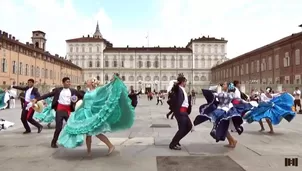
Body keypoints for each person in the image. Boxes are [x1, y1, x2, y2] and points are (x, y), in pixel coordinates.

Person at [58, 75, 135, 156]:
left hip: (91, 114)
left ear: (91, 83)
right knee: (88, 134)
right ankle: (89, 152)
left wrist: (113, 82)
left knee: (96, 133)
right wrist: (76, 111)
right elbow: (83, 103)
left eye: (87, 81)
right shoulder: (87, 92)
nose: (86, 82)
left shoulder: (97, 91)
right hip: (84, 113)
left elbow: (106, 89)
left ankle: (110, 146)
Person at [194, 82, 253, 148]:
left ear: (227, 86)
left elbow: (236, 99)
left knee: (222, 126)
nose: (222, 85)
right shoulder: (225, 93)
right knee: (223, 127)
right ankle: (232, 141)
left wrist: (248, 104)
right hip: (221, 111)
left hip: (225, 112)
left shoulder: (228, 94)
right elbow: (212, 91)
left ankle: (233, 141)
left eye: (224, 84)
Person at [32, 77, 84, 148]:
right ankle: (53, 142)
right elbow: (48, 95)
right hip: (60, 110)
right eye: (67, 82)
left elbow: (83, 95)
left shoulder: (73, 91)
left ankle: (72, 142)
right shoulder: (58, 90)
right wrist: (37, 99)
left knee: (71, 126)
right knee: (58, 128)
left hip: (68, 111)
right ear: (63, 83)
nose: (69, 83)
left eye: (69, 82)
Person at [169, 74, 192, 150]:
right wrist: (176, 83)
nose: (186, 83)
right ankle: (173, 144)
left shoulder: (182, 89)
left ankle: (177, 141)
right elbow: (174, 88)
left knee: (188, 126)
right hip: (180, 112)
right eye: (185, 82)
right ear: (182, 82)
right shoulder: (178, 88)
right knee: (183, 128)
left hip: (184, 111)